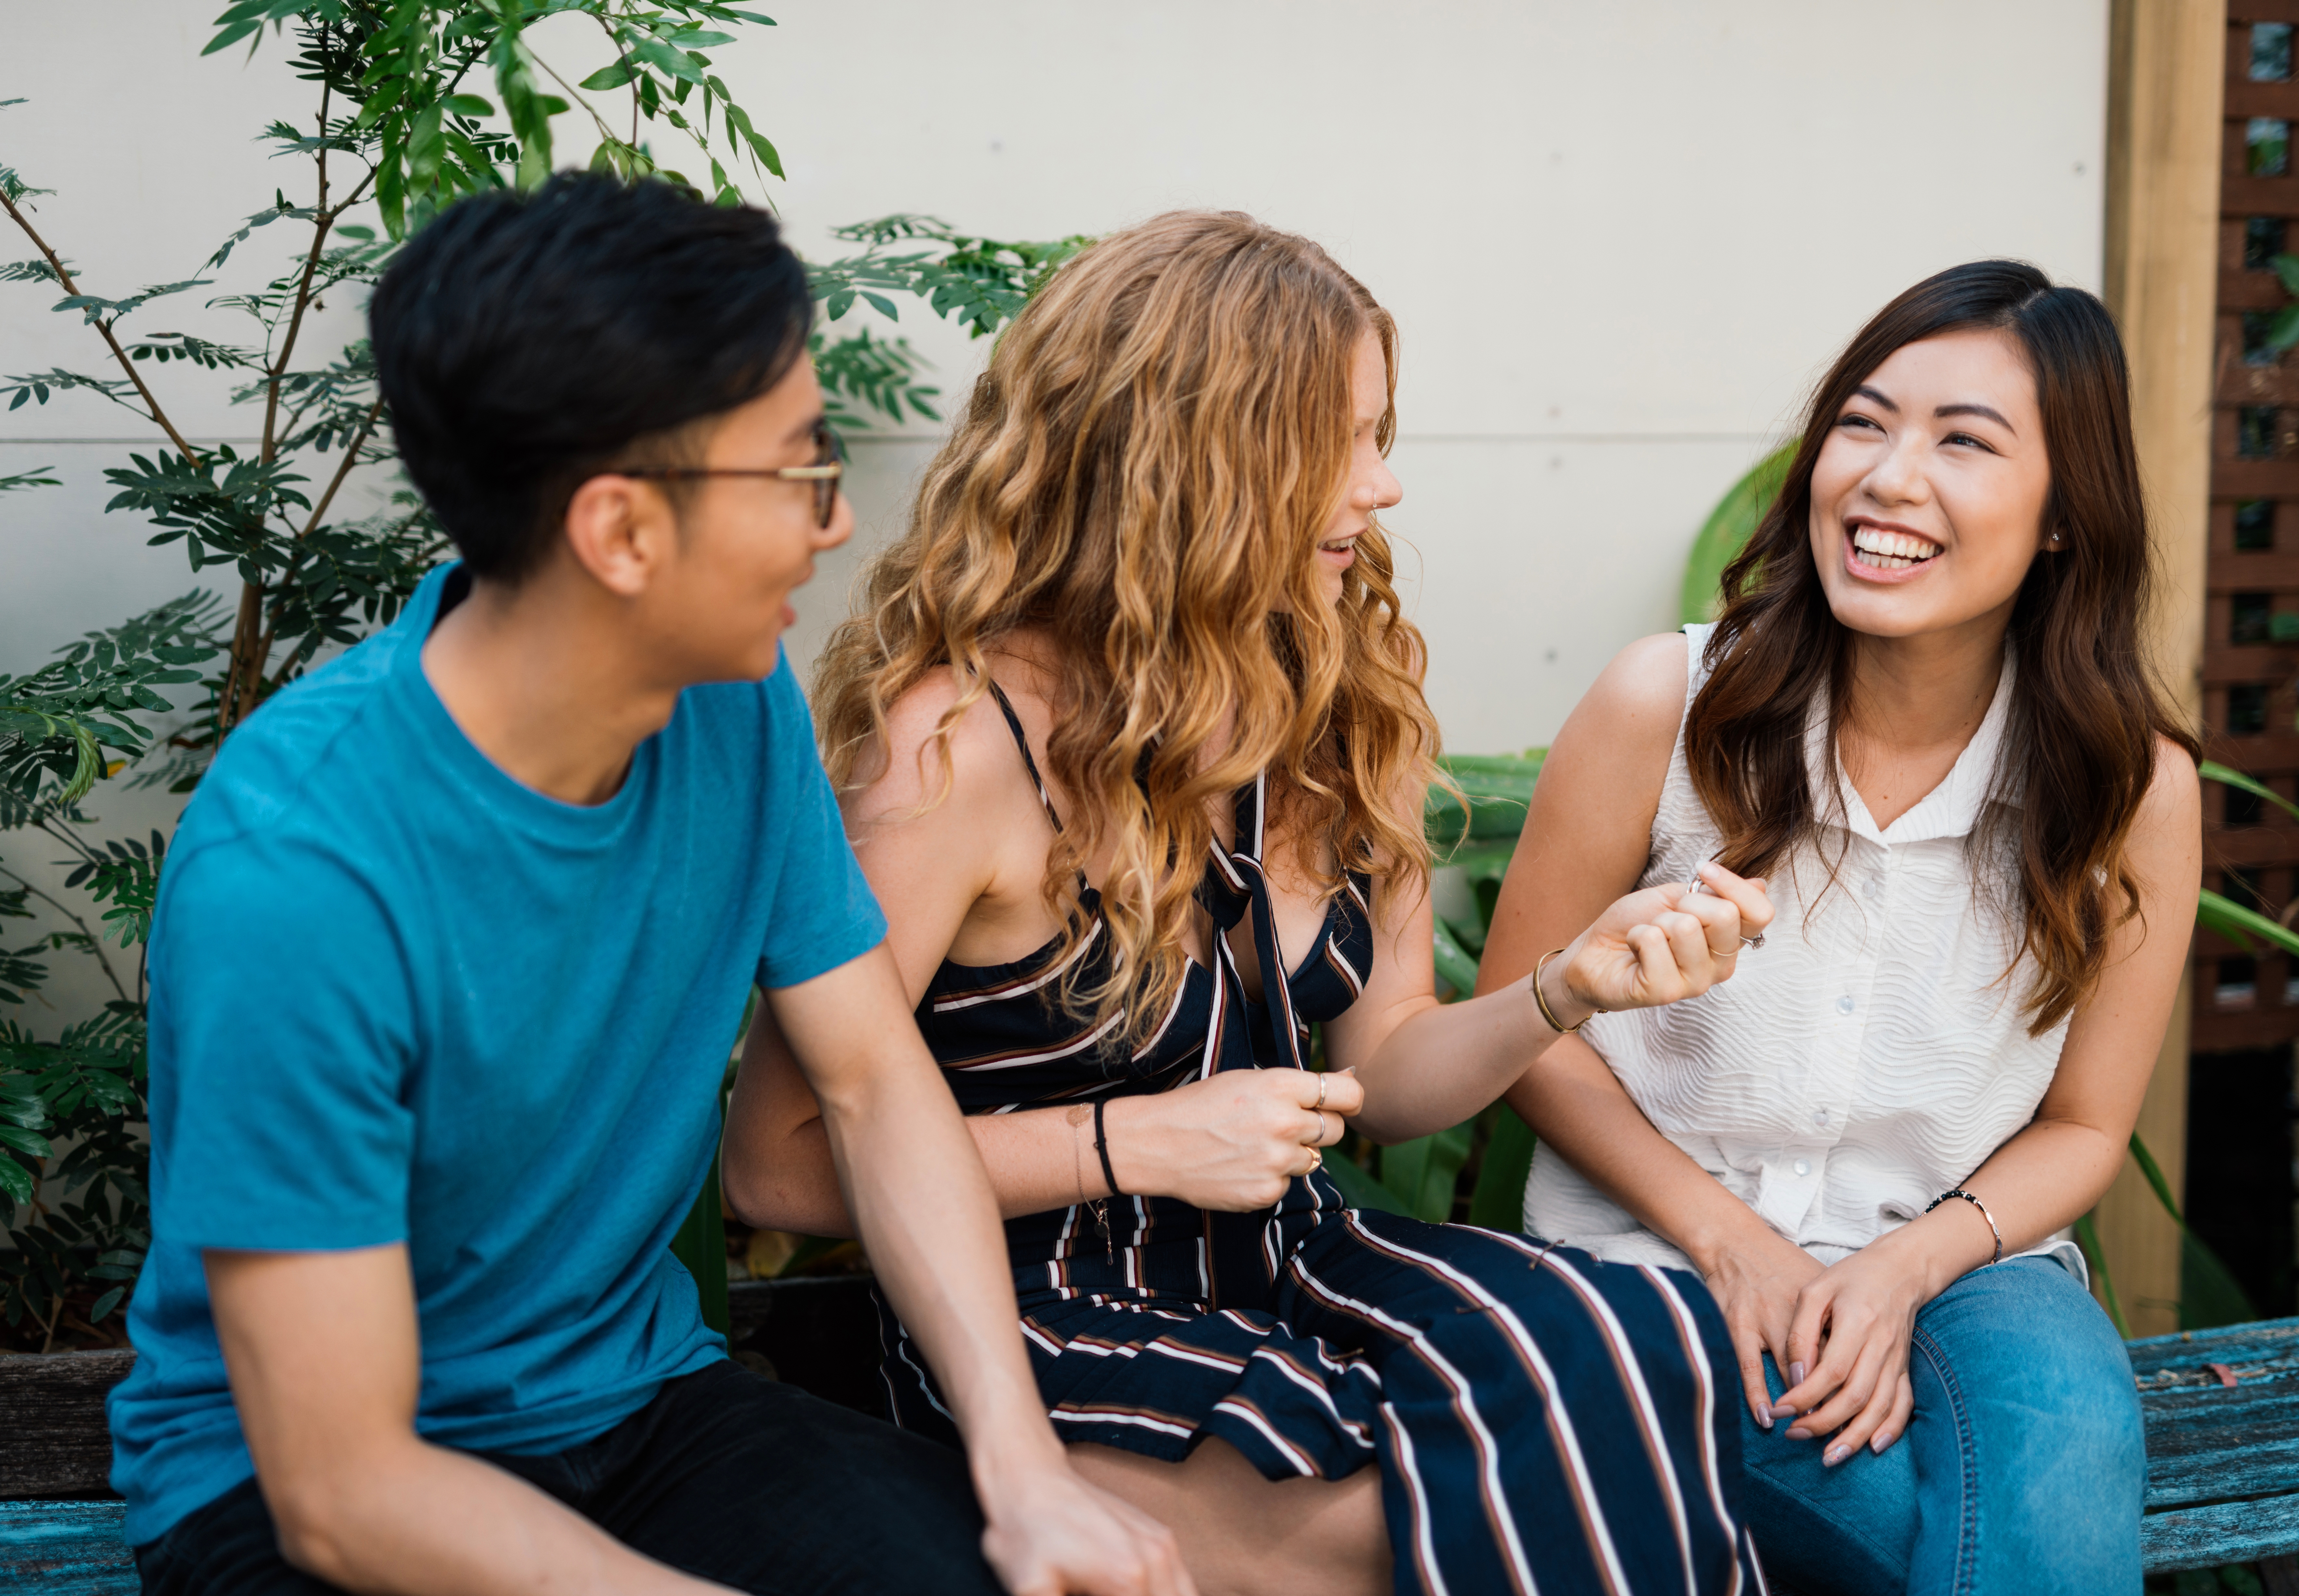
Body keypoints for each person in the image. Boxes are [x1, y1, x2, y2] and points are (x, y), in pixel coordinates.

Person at [109, 174, 1191, 1596]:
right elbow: (345, 1490)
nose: (831, 523)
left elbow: (871, 1082)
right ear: (620, 532)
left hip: (639, 1410)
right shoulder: (300, 874)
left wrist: (1023, 1467)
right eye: (801, 473)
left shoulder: (726, 713)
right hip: (302, 1493)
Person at [722, 211, 1775, 1596]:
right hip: (1033, 1308)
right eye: (1346, 439)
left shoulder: (1337, 695)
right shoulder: (956, 751)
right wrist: (1134, 1140)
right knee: (1447, 1531)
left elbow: (1385, 1071)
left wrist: (1562, 988)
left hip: (1291, 1263)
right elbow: (780, 1165)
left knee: (1637, 1336)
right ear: (1200, 459)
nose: (1383, 485)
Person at [1479, 260, 2199, 1595]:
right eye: (1862, 424)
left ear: (2061, 517)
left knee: (2065, 1451)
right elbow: (1523, 1029)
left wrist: (1900, 1268)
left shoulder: (2129, 786)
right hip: (1657, 1261)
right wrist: (1731, 1240)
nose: (1883, 477)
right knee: (1878, 1502)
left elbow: (2088, 1125)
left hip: (1973, 1260)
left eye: (1963, 443)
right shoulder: (1666, 703)